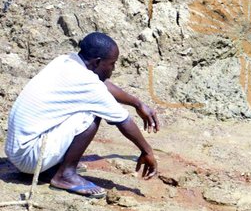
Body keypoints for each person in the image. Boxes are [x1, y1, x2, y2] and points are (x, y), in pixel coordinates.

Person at [4, 32, 161, 198]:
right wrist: (147, 152)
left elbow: (102, 84)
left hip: (17, 150)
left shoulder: (64, 61)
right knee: (91, 114)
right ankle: (66, 175)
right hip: (29, 157)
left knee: (85, 108)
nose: (113, 69)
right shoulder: (88, 84)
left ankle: (52, 168)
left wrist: (138, 104)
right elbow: (123, 120)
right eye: (112, 64)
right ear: (98, 62)